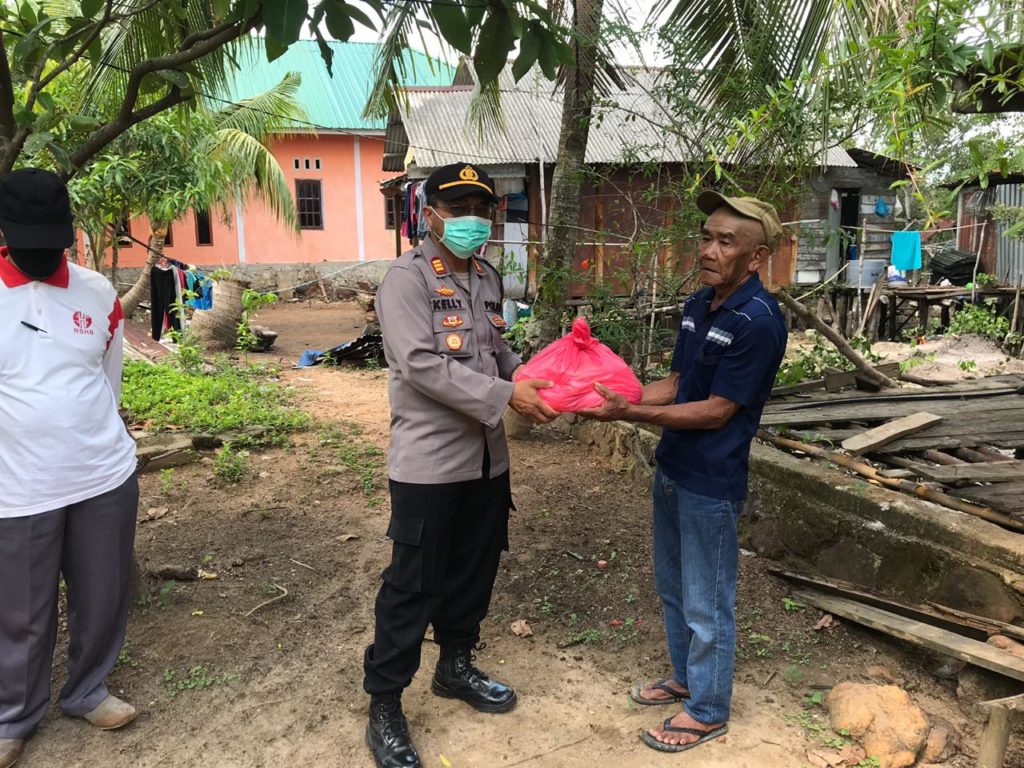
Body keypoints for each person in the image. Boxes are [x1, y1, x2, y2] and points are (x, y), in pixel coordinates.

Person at [364, 162, 559, 768]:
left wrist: (533, 376)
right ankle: (385, 703)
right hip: (429, 463)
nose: (472, 219)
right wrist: (507, 396)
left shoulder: (485, 276)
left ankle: (454, 665)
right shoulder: (406, 280)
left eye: (481, 209)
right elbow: (421, 364)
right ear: (430, 216)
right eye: (458, 209)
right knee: (413, 584)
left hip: (486, 461)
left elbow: (497, 350)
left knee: (475, 569)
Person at [580, 191, 788, 753]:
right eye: (706, 237)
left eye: (726, 242)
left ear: (757, 257)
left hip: (711, 481)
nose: (709, 250)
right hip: (673, 467)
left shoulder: (759, 321)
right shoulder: (699, 304)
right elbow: (675, 385)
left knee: (707, 601)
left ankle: (708, 709)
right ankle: (686, 677)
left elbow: (718, 410)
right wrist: (607, 397)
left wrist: (630, 414)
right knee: (673, 587)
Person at [0, 168, 140, 768]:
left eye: (52, 241)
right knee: (20, 612)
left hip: (102, 476)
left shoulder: (97, 292)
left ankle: (87, 690)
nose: (41, 253)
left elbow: (108, 378)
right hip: (17, 488)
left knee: (102, 593)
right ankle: (13, 716)